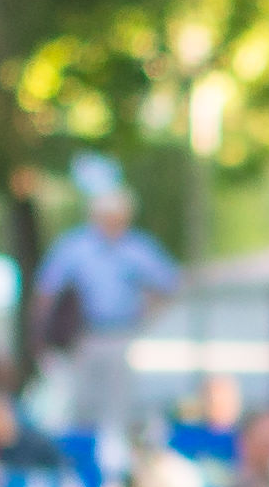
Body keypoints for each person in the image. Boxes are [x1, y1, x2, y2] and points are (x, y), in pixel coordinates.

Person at [30, 159, 176, 455]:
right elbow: (47, 291)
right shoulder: (76, 247)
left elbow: (168, 283)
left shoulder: (137, 248)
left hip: (121, 333)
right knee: (80, 404)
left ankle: (113, 463)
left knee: (118, 409)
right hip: (83, 337)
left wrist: (147, 315)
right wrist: (43, 335)